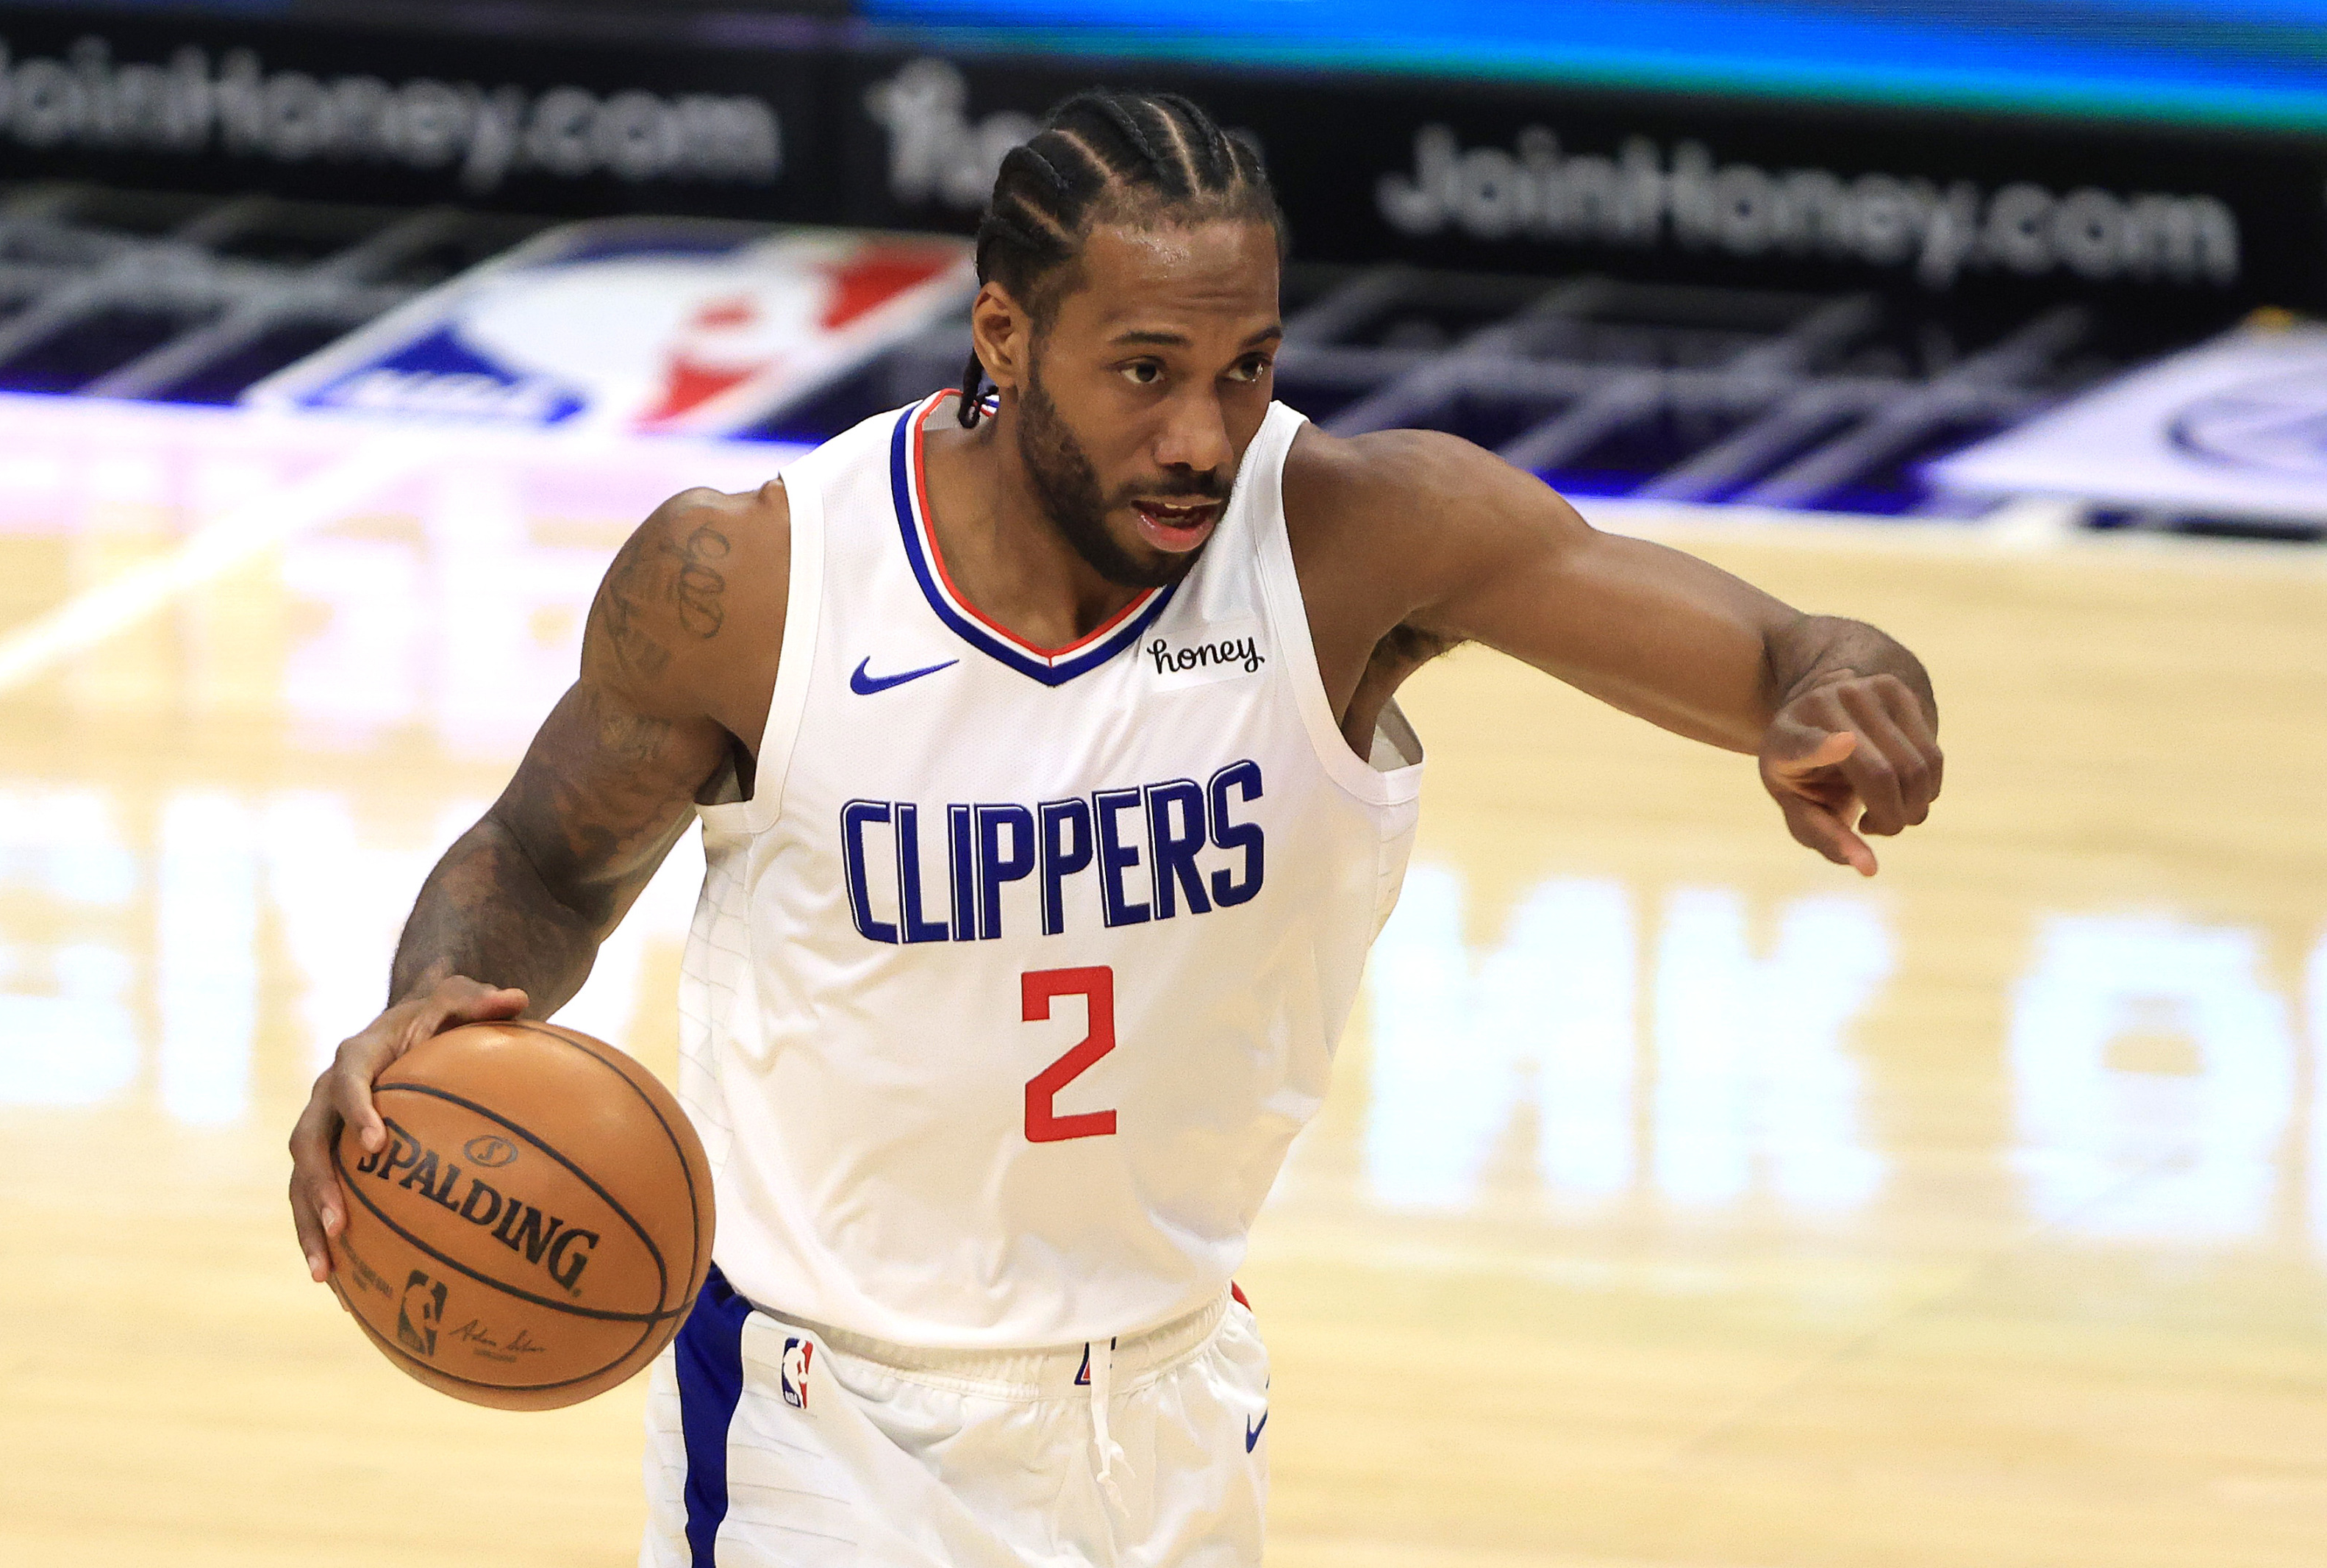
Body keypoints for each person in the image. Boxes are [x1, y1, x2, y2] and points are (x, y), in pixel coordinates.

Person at [287, 88, 1940, 1567]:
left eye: (1245, 369)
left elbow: (1799, 651)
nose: (1200, 436)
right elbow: (543, 862)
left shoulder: (1355, 539)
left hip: (1169, 1393)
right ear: (1002, 336)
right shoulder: (757, 580)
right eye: (1144, 371)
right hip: (822, 1424)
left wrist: (1839, 690)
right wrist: (430, 1003)